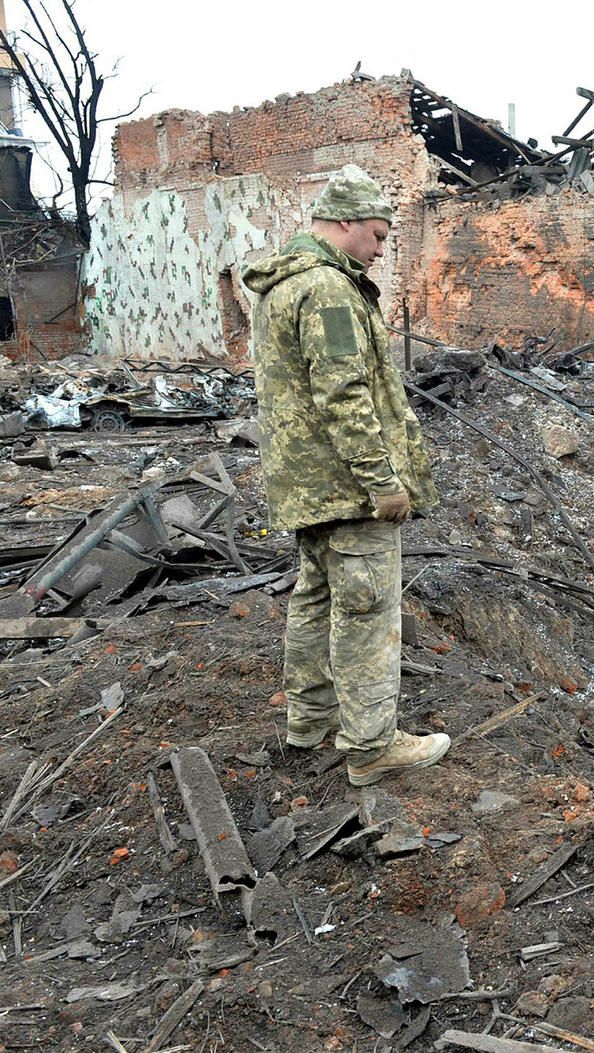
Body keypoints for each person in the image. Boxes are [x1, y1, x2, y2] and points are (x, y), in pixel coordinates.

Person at [243, 164, 450, 786]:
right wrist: (382, 479)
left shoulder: (284, 284)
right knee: (367, 610)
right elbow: (342, 391)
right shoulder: (330, 291)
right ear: (346, 223)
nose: (382, 250)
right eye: (379, 236)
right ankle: (370, 746)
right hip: (346, 488)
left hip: (307, 487)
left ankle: (309, 725)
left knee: (316, 601)